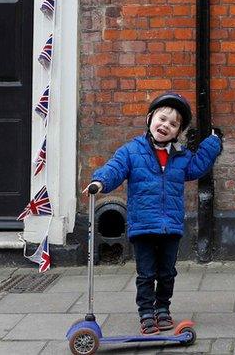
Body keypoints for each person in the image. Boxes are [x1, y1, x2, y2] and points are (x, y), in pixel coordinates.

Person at [86, 93, 222, 336]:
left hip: (170, 225)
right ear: (150, 119)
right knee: (146, 273)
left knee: (168, 272)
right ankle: (146, 312)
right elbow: (115, 168)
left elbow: (199, 166)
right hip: (143, 225)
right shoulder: (131, 151)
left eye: (172, 124)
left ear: (178, 132)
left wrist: (213, 142)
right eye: (162, 119)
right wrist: (100, 182)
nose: (165, 126)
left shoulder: (180, 157)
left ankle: (163, 309)